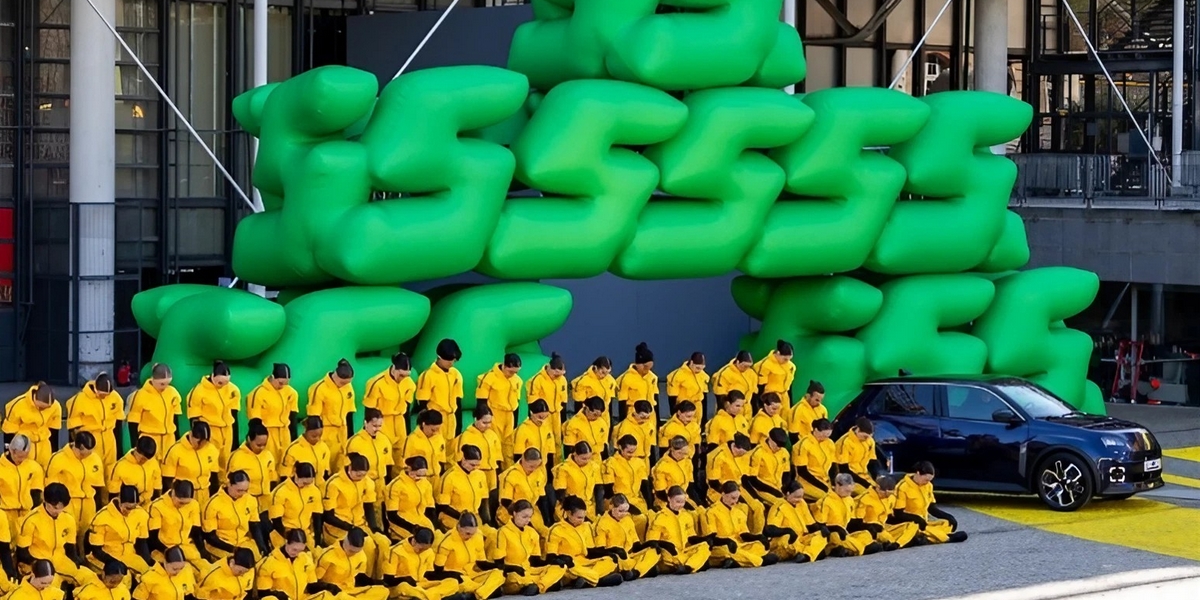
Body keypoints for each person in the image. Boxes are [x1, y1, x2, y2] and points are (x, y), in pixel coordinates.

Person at [322, 454, 390, 578]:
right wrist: (350, 528)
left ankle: (378, 577)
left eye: (363, 475)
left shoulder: (367, 482)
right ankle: (362, 578)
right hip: (339, 528)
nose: (361, 478)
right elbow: (328, 516)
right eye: (358, 475)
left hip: (360, 524)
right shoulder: (334, 483)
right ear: (349, 469)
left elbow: (368, 506)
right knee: (368, 545)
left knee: (383, 542)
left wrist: (374, 527)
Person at [17, 482, 95, 587]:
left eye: (61, 508)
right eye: (54, 507)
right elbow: (22, 552)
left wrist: (77, 563)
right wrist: (38, 565)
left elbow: (70, 548)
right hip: (38, 562)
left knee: (90, 578)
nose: (57, 511)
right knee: (51, 585)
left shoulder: (68, 519)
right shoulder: (31, 520)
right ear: (45, 501)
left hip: (61, 560)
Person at [545, 497, 623, 589]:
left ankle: (587, 580)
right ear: (569, 513)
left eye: (583, 517)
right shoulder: (556, 529)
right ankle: (598, 580)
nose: (582, 520)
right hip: (571, 566)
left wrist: (609, 553)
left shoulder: (586, 526)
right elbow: (550, 557)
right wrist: (564, 559)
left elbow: (590, 552)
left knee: (610, 560)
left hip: (585, 563)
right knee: (561, 569)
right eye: (579, 517)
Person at [492, 500, 565, 595]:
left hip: (528, 571)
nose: (528, 520)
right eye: (524, 517)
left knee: (560, 567)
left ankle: (539, 586)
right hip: (512, 573)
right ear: (514, 514)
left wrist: (553, 561)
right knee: (514, 578)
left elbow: (536, 562)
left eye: (530, 517)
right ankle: (545, 584)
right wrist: (514, 568)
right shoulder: (503, 532)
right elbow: (499, 564)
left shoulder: (532, 532)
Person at [44, 431, 104, 547]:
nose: (87, 457)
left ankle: (83, 555)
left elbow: (97, 485)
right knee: (69, 533)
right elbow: (49, 486)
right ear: (78, 447)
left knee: (87, 533)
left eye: (89, 454)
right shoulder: (59, 459)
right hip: (68, 501)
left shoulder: (94, 459)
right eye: (83, 454)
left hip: (88, 501)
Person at [703, 481, 777, 569]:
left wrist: (758, 537)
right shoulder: (711, 512)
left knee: (758, 545)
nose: (735, 501)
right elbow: (711, 538)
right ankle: (760, 561)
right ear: (723, 494)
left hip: (739, 545)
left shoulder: (738, 512)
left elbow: (743, 534)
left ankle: (735, 562)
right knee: (726, 551)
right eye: (733, 498)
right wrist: (727, 541)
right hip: (721, 546)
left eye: (737, 498)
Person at [226, 418, 277, 544]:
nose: (262, 448)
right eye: (258, 445)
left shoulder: (267, 455)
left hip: (265, 501)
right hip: (247, 502)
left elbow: (272, 477)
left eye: (264, 444)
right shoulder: (237, 457)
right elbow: (231, 483)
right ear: (249, 439)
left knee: (270, 532)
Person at [891, 461, 968, 544]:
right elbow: (898, 514)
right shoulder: (903, 487)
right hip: (908, 522)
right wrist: (917, 519)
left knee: (946, 523)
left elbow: (931, 508)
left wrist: (949, 517)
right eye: (926, 480)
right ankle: (945, 538)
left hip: (924, 522)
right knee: (913, 528)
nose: (927, 482)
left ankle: (924, 537)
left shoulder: (928, 486)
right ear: (918, 473)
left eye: (930, 480)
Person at [431, 513, 505, 600]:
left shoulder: (478, 536)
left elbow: (481, 563)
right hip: (458, 578)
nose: (470, 537)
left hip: (472, 575)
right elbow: (438, 571)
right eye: (468, 533)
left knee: (499, 574)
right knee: (463, 584)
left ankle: (476, 595)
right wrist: (455, 575)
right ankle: (485, 591)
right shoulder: (447, 542)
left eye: (473, 534)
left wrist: (500, 567)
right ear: (459, 527)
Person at [186, 361, 242, 471]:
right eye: (220, 383)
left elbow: (234, 414)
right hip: (210, 429)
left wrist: (235, 439)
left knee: (226, 460)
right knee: (211, 461)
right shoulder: (198, 391)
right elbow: (193, 417)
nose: (223, 386)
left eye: (227, 382)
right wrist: (200, 437)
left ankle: (225, 481)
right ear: (212, 376)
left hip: (227, 430)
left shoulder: (233, 390)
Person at [65, 373, 125, 473]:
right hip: (90, 440)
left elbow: (119, 423)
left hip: (109, 438)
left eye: (106, 395)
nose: (104, 397)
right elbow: (72, 427)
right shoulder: (79, 400)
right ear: (96, 388)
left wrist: (119, 448)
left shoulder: (115, 398)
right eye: (101, 395)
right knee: (92, 470)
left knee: (111, 470)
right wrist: (78, 448)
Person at [363, 352, 415, 467]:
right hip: (382, 422)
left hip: (400, 422)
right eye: (401, 375)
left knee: (402, 458)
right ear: (394, 368)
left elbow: (407, 409)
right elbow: (369, 409)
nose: (403, 378)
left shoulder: (409, 384)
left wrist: (408, 432)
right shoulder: (376, 383)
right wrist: (370, 430)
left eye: (407, 375)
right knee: (383, 458)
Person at [644, 486, 710, 575]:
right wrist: (666, 545)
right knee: (658, 553)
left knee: (704, 546)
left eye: (683, 502)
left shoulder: (686, 516)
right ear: (669, 499)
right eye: (678, 502)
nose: (680, 505)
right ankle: (692, 564)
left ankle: (688, 567)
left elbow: (691, 537)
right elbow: (652, 541)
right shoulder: (660, 517)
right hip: (668, 553)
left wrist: (704, 539)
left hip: (683, 551)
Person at [87, 485, 152, 575]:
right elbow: (96, 550)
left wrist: (149, 562)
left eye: (133, 508)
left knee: (148, 574)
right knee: (123, 577)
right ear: (119, 501)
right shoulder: (102, 518)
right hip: (107, 557)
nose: (130, 511)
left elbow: (141, 543)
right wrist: (116, 563)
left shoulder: (141, 514)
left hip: (130, 556)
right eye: (127, 508)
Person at [202, 471, 268, 560]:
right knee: (239, 561)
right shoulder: (213, 504)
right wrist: (234, 549)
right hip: (222, 545)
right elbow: (210, 537)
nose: (243, 494)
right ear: (229, 484)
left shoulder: (250, 500)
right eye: (239, 490)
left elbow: (254, 525)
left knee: (260, 560)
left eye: (246, 490)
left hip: (243, 542)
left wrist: (261, 545)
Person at [382, 527, 462, 600]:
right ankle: (432, 596)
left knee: (453, 582)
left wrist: (448, 574)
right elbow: (388, 580)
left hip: (421, 584)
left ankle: (427, 596)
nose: (422, 551)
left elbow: (428, 574)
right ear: (414, 541)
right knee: (404, 587)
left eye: (425, 549)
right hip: (402, 587)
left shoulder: (428, 552)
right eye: (421, 549)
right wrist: (404, 579)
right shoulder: (395, 551)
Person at [592, 494, 659, 580]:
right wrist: (616, 550)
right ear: (611, 506)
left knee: (654, 550)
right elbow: (600, 550)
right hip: (617, 557)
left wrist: (649, 544)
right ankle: (640, 570)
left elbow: (636, 546)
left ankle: (636, 572)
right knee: (610, 561)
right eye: (620, 511)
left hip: (630, 556)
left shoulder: (628, 520)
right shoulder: (602, 523)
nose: (623, 514)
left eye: (626, 511)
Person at [705, 434, 763, 533]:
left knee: (758, 507)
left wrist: (753, 495)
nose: (743, 456)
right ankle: (742, 534)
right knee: (741, 509)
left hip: (738, 488)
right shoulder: (717, 456)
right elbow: (713, 482)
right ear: (735, 447)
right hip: (720, 491)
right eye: (741, 453)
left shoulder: (743, 455)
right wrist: (732, 495)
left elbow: (744, 477)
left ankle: (756, 535)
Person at [148, 480, 208, 574]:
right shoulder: (158, 506)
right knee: (183, 573)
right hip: (165, 549)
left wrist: (203, 550)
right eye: (180, 503)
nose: (183, 506)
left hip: (186, 547)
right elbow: (153, 538)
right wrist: (170, 553)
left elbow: (195, 531)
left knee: (206, 570)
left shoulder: (193, 504)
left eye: (186, 503)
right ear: (173, 493)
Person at [255, 529, 335, 600]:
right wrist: (278, 595)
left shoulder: (305, 559)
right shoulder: (269, 563)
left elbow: (311, 586)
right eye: (294, 549)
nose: (297, 553)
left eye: (300, 550)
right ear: (286, 542)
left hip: (303, 598)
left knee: (329, 596)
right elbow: (263, 592)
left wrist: (327, 586)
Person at [816, 473, 882, 557]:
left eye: (851, 492)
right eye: (847, 491)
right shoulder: (826, 501)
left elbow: (851, 521)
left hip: (845, 532)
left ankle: (851, 548)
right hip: (833, 533)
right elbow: (820, 525)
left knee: (865, 533)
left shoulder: (849, 500)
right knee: (836, 537)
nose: (849, 494)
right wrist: (836, 528)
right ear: (838, 485)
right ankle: (860, 548)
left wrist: (867, 526)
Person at [763, 480, 829, 563]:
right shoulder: (779, 506)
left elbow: (811, 525)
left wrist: (822, 528)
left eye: (801, 497)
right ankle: (811, 552)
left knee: (821, 535)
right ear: (788, 494)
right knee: (787, 537)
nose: (799, 499)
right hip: (786, 541)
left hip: (801, 539)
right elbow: (769, 530)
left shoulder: (801, 503)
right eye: (796, 497)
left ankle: (807, 555)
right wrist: (788, 531)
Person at [127, 363, 183, 459]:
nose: (165, 387)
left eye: (168, 383)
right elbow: (132, 422)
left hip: (169, 439)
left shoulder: (172, 393)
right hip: (149, 440)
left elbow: (175, 417)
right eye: (162, 384)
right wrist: (135, 446)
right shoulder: (140, 395)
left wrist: (177, 438)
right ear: (153, 379)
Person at [308, 359, 357, 466]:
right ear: (336, 376)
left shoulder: (348, 387)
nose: (345, 385)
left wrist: (350, 436)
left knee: (342, 463)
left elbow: (349, 413)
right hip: (326, 432)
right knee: (324, 464)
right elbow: (313, 416)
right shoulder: (319, 388)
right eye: (343, 383)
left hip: (342, 431)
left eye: (348, 383)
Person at [247, 362, 299, 463]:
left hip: (284, 432)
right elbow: (254, 420)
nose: (282, 386)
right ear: (273, 377)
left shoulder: (291, 393)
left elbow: (293, 416)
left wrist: (294, 439)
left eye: (286, 383)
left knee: (286, 461)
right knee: (268, 461)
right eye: (280, 383)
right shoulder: (258, 393)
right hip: (267, 432)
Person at [315, 528, 389, 600]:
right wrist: (330, 587)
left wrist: (374, 582)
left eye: (356, 552)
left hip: (350, 590)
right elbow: (314, 584)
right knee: (342, 597)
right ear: (346, 539)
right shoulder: (328, 555)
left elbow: (359, 576)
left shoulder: (361, 556)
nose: (353, 554)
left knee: (383, 591)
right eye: (351, 551)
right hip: (333, 594)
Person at [475, 354, 522, 464]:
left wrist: (515, 422)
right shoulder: (489, 378)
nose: (513, 375)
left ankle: (508, 470)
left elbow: (517, 402)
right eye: (511, 372)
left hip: (510, 415)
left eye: (516, 372)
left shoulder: (517, 380)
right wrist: (485, 419)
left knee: (509, 445)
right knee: (494, 444)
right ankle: (494, 469)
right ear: (504, 365)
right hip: (494, 414)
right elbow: (481, 401)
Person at [602, 435, 653, 537]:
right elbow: (608, 491)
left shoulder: (639, 463)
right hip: (617, 502)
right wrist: (628, 507)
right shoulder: (610, 463)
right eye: (629, 452)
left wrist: (650, 505)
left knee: (652, 519)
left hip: (637, 501)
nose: (632, 455)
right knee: (640, 519)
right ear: (620, 447)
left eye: (634, 451)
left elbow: (645, 486)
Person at [436, 446, 493, 535]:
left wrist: (487, 520)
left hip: (475, 518)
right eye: (472, 465)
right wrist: (464, 518)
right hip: (454, 520)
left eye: (478, 465)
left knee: (492, 535)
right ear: (463, 459)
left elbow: (484, 499)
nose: (475, 468)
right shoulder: (449, 477)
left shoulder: (480, 475)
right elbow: (442, 506)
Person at [161, 421, 219, 507]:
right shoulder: (176, 451)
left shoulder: (211, 449)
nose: (201, 445)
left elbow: (214, 476)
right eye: (199, 442)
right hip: (185, 496)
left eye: (204, 442)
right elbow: (167, 479)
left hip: (204, 493)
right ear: (191, 435)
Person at [854, 475, 920, 550]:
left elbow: (890, 517)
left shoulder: (890, 498)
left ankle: (897, 544)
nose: (886, 496)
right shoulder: (864, 499)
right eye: (884, 493)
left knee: (912, 525)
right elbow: (856, 523)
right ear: (877, 487)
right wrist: (871, 526)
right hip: (871, 530)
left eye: (889, 494)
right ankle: (892, 542)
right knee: (881, 535)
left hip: (884, 527)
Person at [3, 382, 61, 468]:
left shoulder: (56, 406)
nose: (42, 410)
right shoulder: (17, 404)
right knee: (23, 470)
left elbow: (54, 430)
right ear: (34, 398)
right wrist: (8, 453)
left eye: (46, 408)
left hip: (44, 445)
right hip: (24, 446)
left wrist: (54, 453)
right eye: (40, 407)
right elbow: (9, 430)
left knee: (47, 469)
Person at [416, 339, 464, 440]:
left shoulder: (456, 374)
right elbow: (422, 404)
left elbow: (458, 401)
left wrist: (459, 426)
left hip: (451, 420)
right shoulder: (428, 375)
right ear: (440, 357)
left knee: (451, 448)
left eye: (454, 360)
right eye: (449, 359)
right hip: (435, 422)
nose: (451, 363)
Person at [0, 435, 45, 539]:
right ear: (12, 450)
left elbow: (37, 494)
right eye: (20, 457)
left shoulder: (34, 467)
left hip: (27, 514)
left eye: (25, 456)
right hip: (6, 514)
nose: (22, 460)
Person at [497, 449, 550, 537]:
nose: (533, 469)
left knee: (544, 534)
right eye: (531, 466)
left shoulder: (538, 472)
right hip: (512, 513)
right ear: (523, 459)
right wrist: (522, 517)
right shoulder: (511, 475)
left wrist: (546, 518)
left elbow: (541, 496)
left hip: (532, 511)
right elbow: (505, 501)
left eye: (536, 466)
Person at [269, 462, 322, 547]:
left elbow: (317, 516)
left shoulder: (314, 491)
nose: (306, 486)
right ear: (296, 475)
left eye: (310, 483)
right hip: (284, 533)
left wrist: (318, 541)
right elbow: (276, 520)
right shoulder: (280, 492)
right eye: (304, 483)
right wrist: (290, 539)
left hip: (305, 532)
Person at [345, 408, 395, 498]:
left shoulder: (384, 440)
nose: (377, 429)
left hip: (381, 484)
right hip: (364, 485)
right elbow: (347, 468)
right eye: (374, 426)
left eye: (380, 426)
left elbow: (388, 464)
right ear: (365, 423)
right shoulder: (354, 442)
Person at [385, 457, 436, 542]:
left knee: (433, 538)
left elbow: (430, 508)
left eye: (423, 475)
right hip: (402, 522)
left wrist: (433, 524)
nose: (420, 478)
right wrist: (412, 528)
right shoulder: (396, 485)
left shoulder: (426, 484)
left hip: (421, 519)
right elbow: (392, 515)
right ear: (408, 469)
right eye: (417, 475)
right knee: (418, 539)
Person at [525, 354, 568, 453]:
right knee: (545, 441)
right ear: (549, 368)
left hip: (556, 415)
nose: (557, 377)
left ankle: (557, 461)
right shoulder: (538, 380)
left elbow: (563, 401)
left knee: (557, 440)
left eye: (560, 375)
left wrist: (563, 420)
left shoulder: (562, 380)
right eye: (556, 375)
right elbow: (532, 402)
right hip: (543, 416)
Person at [451, 406, 500, 490]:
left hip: (491, 473)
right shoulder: (466, 436)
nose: (488, 426)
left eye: (490, 422)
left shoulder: (492, 435)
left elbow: (498, 457)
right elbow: (460, 459)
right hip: (475, 473)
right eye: (484, 423)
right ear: (475, 419)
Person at [280, 417, 333, 492]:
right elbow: (284, 476)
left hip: (320, 491)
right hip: (300, 490)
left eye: (320, 435)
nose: (317, 439)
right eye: (314, 436)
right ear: (305, 431)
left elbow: (326, 472)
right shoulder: (293, 449)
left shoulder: (324, 447)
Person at [552, 442, 603, 520]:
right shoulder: (563, 469)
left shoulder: (594, 467)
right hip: (569, 507)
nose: (587, 461)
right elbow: (560, 494)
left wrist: (599, 509)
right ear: (575, 454)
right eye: (583, 458)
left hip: (589, 507)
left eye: (589, 458)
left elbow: (599, 489)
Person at [108, 437, 161, 509]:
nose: (143, 462)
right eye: (142, 459)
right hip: (130, 508)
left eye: (146, 460)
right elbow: (113, 494)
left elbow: (157, 486)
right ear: (136, 450)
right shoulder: (120, 466)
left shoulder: (153, 462)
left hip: (148, 505)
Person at [793, 418, 837, 503]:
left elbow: (833, 464)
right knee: (828, 500)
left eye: (828, 436)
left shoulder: (829, 443)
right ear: (816, 430)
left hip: (824, 480)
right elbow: (802, 472)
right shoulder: (804, 445)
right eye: (824, 435)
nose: (825, 438)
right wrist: (822, 487)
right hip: (808, 482)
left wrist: (834, 481)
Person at [651, 437, 700, 512]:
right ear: (671, 449)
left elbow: (690, 486)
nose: (683, 456)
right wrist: (681, 503)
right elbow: (660, 493)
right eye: (679, 453)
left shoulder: (687, 462)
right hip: (667, 501)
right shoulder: (662, 467)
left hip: (685, 498)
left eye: (685, 453)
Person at [745, 428, 791, 508]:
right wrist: (773, 491)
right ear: (770, 439)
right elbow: (753, 480)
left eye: (781, 446)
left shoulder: (784, 453)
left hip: (778, 488)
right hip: (762, 489)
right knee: (783, 505)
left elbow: (786, 472)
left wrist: (785, 488)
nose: (779, 448)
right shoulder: (758, 453)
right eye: (777, 445)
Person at [403, 411, 447, 492]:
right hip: (421, 480)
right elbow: (406, 463)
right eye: (432, 430)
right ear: (424, 424)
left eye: (438, 429)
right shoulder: (412, 440)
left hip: (436, 479)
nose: (435, 433)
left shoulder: (439, 437)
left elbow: (441, 459)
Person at [614, 343, 657, 424]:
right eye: (645, 367)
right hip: (634, 417)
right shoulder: (626, 378)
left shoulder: (653, 377)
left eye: (649, 368)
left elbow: (655, 399)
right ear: (638, 364)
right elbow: (622, 403)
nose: (647, 371)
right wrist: (622, 423)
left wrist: (657, 423)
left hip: (650, 416)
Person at [753, 341, 795, 424]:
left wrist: (791, 402)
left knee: (785, 421)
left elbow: (789, 385)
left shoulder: (790, 366)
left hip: (784, 396)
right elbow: (760, 386)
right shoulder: (766, 364)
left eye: (790, 359)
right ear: (778, 353)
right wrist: (759, 404)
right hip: (770, 398)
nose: (787, 361)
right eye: (785, 359)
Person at [836, 417, 878, 494]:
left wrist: (877, 478)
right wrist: (865, 484)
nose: (867, 439)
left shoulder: (869, 441)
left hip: (864, 476)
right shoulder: (846, 442)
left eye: (870, 437)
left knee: (880, 491)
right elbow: (843, 469)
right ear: (858, 430)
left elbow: (872, 462)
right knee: (869, 493)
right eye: (865, 436)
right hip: (849, 478)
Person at [511, 400, 556, 471]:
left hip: (542, 470)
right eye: (540, 417)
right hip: (528, 469)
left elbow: (550, 453)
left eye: (546, 417)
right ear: (531, 413)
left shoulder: (547, 428)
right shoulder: (523, 429)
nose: (543, 420)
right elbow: (517, 455)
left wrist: (549, 474)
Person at [666, 353, 709, 426]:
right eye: (697, 368)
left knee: (696, 428)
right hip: (683, 407)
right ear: (691, 362)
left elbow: (704, 395)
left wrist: (704, 418)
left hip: (697, 406)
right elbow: (672, 397)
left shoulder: (703, 376)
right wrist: (674, 415)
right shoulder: (677, 375)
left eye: (702, 368)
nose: (699, 370)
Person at [657, 401, 700, 475]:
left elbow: (696, 444)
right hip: (676, 463)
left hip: (690, 460)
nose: (690, 419)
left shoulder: (694, 425)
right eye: (688, 416)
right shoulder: (669, 428)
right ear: (679, 413)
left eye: (692, 416)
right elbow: (664, 450)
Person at [712, 351, 757, 419]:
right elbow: (720, 395)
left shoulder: (751, 373)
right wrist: (725, 410)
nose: (747, 368)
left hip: (746, 410)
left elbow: (754, 393)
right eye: (745, 366)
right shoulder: (725, 373)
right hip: (731, 410)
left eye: (749, 366)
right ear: (738, 362)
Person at [570, 357, 615, 422]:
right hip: (590, 418)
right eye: (603, 372)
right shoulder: (583, 382)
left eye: (608, 373)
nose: (605, 375)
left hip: (604, 418)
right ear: (595, 368)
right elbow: (578, 406)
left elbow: (609, 402)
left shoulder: (610, 380)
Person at [611, 400, 654, 468]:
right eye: (642, 417)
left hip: (645, 460)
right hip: (631, 461)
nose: (645, 420)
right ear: (634, 412)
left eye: (647, 417)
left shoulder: (649, 425)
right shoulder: (625, 427)